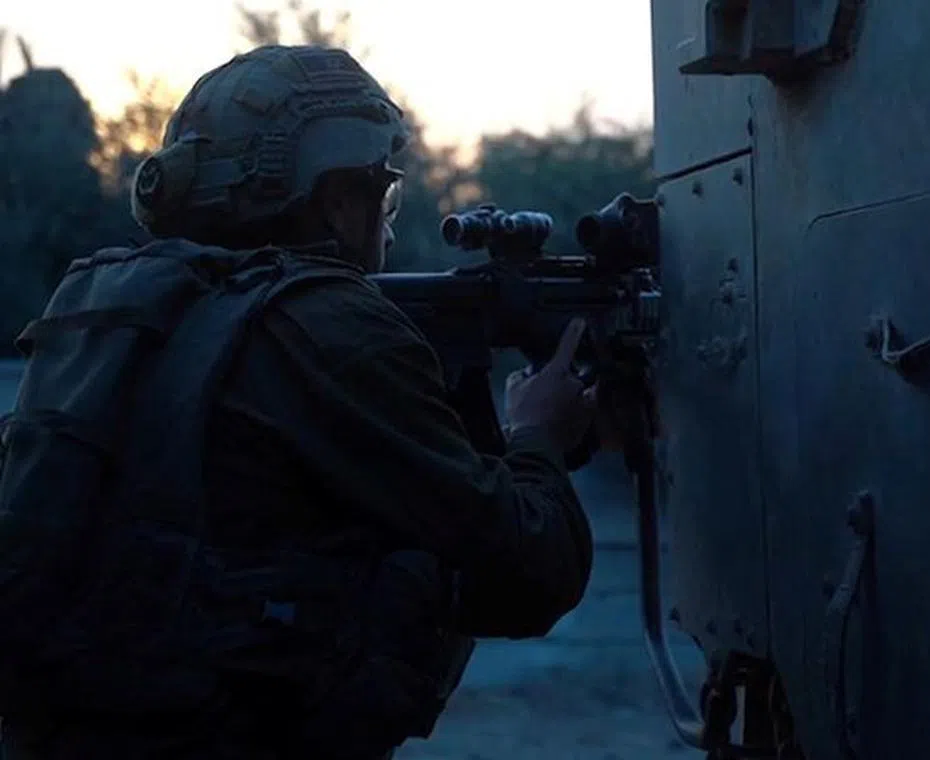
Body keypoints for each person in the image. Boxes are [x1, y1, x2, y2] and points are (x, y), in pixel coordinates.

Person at [0, 44, 597, 759]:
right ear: (332, 199)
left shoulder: (107, 298)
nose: (382, 217)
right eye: (378, 191)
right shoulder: (332, 323)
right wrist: (539, 435)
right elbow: (530, 571)